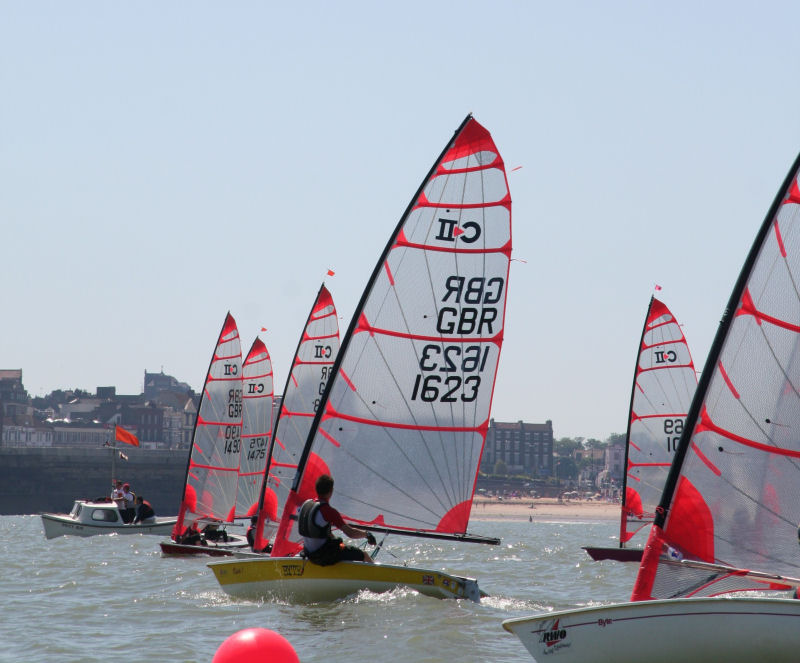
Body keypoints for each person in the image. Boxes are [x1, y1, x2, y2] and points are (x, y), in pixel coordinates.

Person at [298, 473, 376, 566]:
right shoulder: (328, 511)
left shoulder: (306, 506)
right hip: (322, 557)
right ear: (331, 491)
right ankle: (380, 577)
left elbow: (318, 531)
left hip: (308, 554)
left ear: (317, 489)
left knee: (339, 544)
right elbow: (350, 533)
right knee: (364, 555)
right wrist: (367, 534)